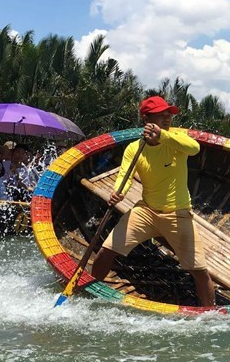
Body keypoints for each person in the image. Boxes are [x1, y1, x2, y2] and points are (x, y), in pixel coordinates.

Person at [90, 95, 215, 307]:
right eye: (161, 114)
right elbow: (125, 175)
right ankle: (89, 294)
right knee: (106, 250)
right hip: (146, 211)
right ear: (147, 118)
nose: (167, 117)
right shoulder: (134, 148)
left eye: (169, 113)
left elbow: (195, 148)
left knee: (198, 270)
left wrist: (163, 137)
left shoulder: (175, 139)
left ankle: (211, 313)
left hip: (178, 213)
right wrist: (118, 192)